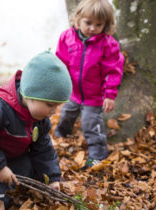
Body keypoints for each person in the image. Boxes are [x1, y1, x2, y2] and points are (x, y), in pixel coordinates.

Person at [0, 51, 72, 209]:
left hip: (10, 149)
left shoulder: (40, 120)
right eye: (50, 105)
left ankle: (16, 186)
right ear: (31, 94)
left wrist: (52, 178)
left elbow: (43, 149)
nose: (54, 111)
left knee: (26, 167)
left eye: (58, 106)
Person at [54, 0, 124, 167]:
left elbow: (113, 71)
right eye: (88, 23)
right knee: (66, 116)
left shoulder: (108, 45)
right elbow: (60, 62)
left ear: (106, 25)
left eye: (98, 24)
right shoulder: (67, 37)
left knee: (92, 125)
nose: (92, 28)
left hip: (94, 97)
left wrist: (110, 95)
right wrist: (58, 83)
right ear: (78, 19)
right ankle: (60, 136)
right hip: (73, 93)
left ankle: (97, 155)